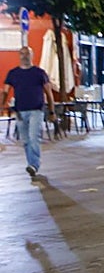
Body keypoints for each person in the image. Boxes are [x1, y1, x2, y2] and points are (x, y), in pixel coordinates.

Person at [4, 46, 55, 178]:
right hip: (20, 111)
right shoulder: (13, 73)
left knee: (34, 137)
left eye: (27, 54)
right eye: (22, 54)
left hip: (36, 110)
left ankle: (34, 164)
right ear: (19, 56)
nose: (24, 56)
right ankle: (31, 164)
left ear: (32, 55)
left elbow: (49, 93)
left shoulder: (39, 73)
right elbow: (5, 91)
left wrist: (52, 111)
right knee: (26, 140)